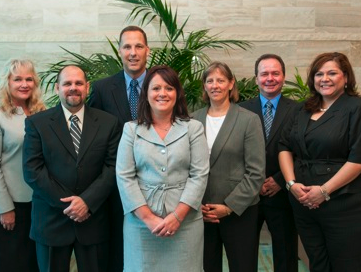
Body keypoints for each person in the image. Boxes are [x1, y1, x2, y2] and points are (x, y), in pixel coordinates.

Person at [23, 65, 120, 272]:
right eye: (67, 83)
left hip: (93, 220)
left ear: (87, 87)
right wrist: (71, 205)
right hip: (51, 220)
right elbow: (33, 171)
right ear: (57, 88)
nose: (73, 88)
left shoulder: (108, 123)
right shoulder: (36, 123)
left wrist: (86, 202)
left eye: (78, 83)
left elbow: (112, 167)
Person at [116, 65, 209, 272]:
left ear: (177, 93)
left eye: (169, 88)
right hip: (141, 224)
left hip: (185, 223)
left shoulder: (193, 128)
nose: (162, 94)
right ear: (146, 93)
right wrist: (148, 218)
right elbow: (124, 177)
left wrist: (177, 217)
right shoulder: (131, 129)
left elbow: (199, 174)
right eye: (156, 88)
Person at [278, 52, 361, 272]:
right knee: (317, 262)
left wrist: (324, 191)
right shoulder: (303, 108)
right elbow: (284, 146)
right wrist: (291, 184)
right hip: (303, 201)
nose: (325, 78)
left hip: (341, 202)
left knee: (346, 264)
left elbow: (358, 159)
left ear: (345, 77)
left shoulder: (355, 108)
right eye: (319, 74)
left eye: (332, 73)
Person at [193, 61, 265, 272]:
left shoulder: (248, 120)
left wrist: (229, 206)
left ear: (231, 84)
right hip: (202, 210)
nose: (215, 85)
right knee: (207, 267)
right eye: (210, 80)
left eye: (221, 80)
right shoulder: (192, 120)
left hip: (239, 211)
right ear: (204, 86)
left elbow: (256, 172)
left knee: (242, 266)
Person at [88, 25, 149, 271]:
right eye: (127, 47)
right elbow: (92, 132)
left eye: (138, 46)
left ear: (147, 50)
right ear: (120, 51)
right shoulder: (102, 88)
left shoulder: (163, 83)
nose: (132, 52)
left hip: (155, 179)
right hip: (114, 183)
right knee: (116, 246)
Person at [240, 54, 298, 272]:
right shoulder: (241, 109)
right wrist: (254, 181)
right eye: (264, 73)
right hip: (248, 196)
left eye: (275, 73)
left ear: (283, 77)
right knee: (244, 255)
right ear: (256, 78)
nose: (270, 78)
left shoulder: (299, 110)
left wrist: (279, 180)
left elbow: (301, 152)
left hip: (283, 195)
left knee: (286, 255)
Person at [0, 59, 44, 272]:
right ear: (7, 82)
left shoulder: (41, 113)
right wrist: (5, 208)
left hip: (39, 205)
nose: (24, 84)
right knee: (10, 264)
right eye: (18, 79)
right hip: (10, 208)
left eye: (29, 79)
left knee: (33, 265)